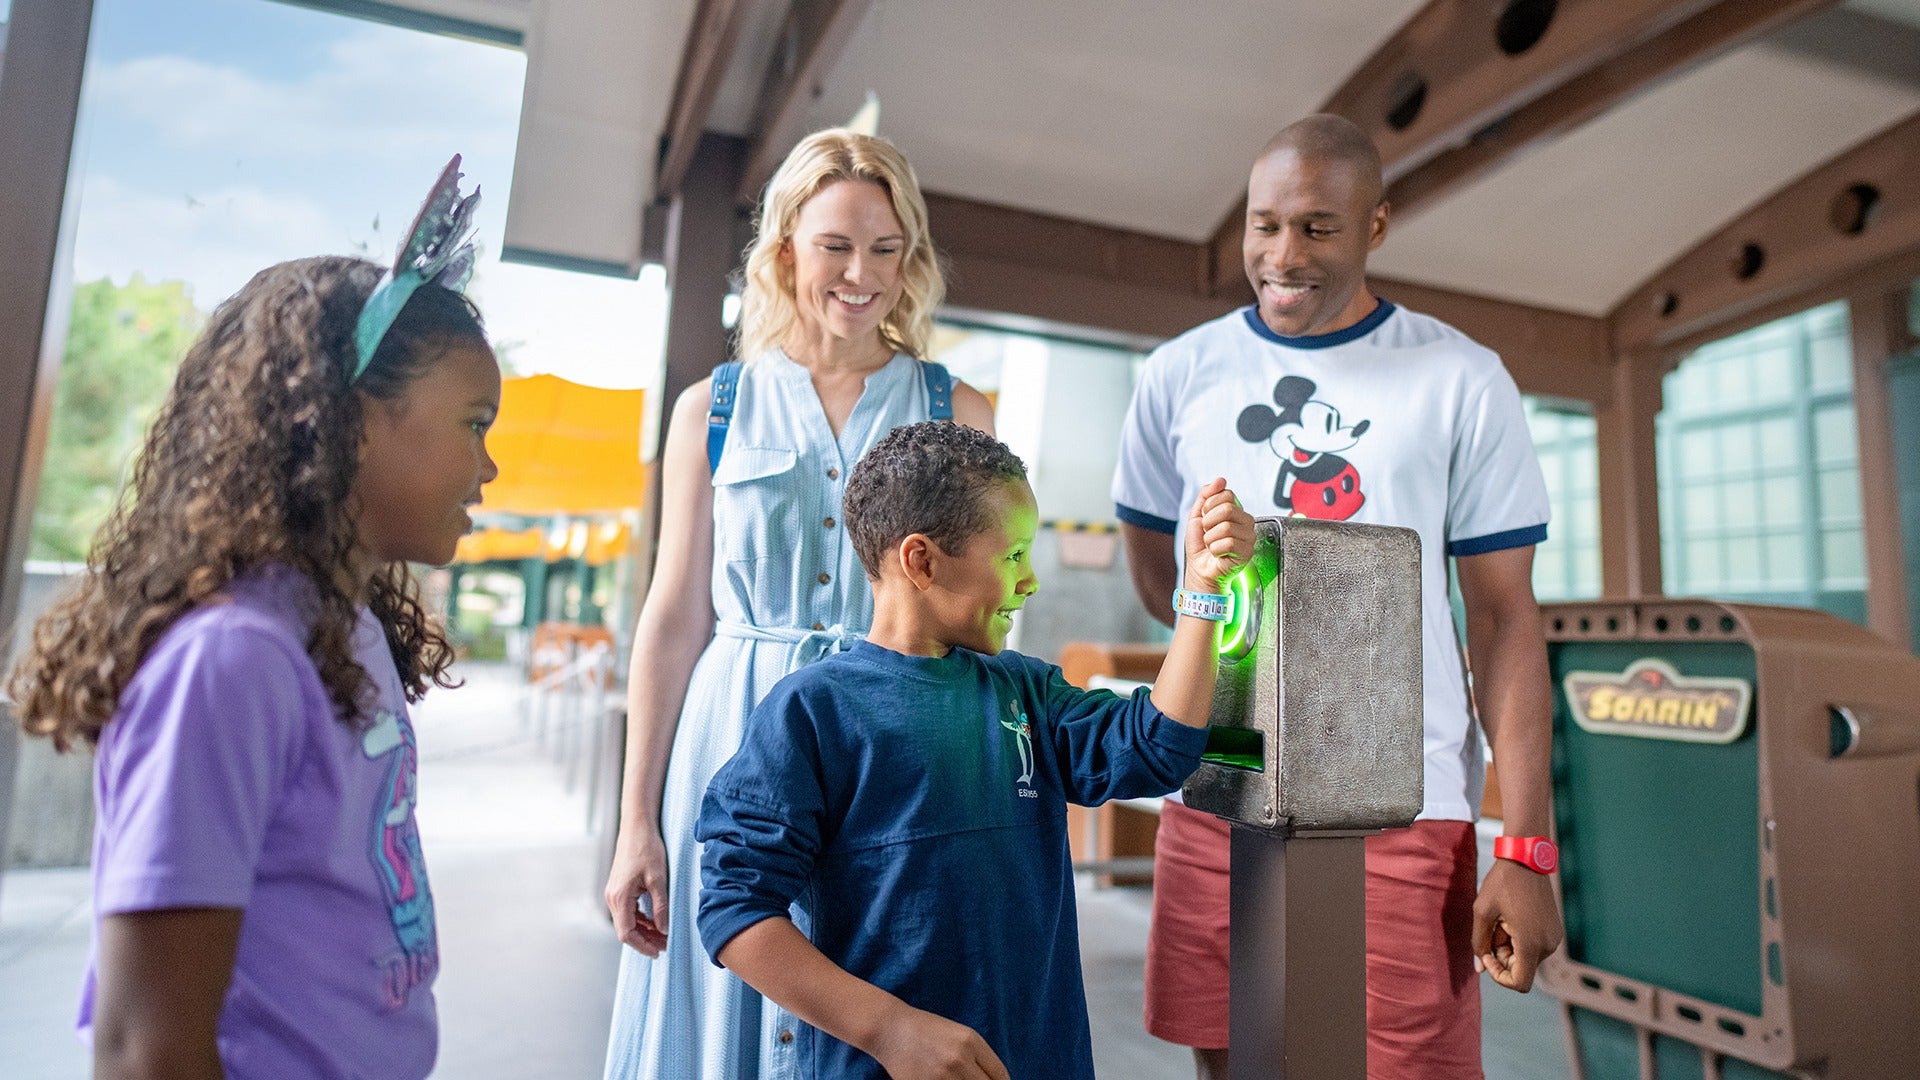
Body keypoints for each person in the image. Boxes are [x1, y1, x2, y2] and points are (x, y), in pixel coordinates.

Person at [5, 160, 499, 1080]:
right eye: (474, 423)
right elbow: (144, 1045)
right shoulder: (234, 662)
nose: (490, 467)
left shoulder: (347, 632)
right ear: (354, 421)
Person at [1112, 114, 1565, 1080]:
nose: (1284, 254)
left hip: (1403, 802)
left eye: (1318, 227)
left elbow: (1504, 621)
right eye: (1264, 225)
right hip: (1218, 785)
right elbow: (1156, 576)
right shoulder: (1178, 375)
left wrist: (1525, 850)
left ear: (1376, 228)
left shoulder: (1460, 378)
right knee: (1231, 1061)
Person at [601, 129, 996, 1080]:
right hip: (730, 730)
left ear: (912, 259)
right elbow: (673, 618)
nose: (862, 274)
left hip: (890, 747)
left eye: (886, 249)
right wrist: (637, 822)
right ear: (786, 249)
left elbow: (982, 622)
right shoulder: (716, 406)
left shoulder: (962, 411)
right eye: (836, 246)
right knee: (729, 978)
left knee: (877, 988)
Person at [695, 422, 1255, 1080]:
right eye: (1013, 555)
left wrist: (1203, 590)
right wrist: (893, 1030)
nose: (1030, 582)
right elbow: (737, 911)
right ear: (922, 561)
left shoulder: (1026, 693)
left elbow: (1158, 746)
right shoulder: (810, 714)